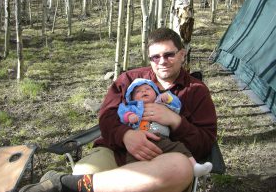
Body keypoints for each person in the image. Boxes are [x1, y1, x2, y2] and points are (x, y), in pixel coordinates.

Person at [20, 27, 217, 192]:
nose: (162, 61)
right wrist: (125, 135)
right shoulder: (129, 80)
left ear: (182, 54)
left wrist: (176, 122)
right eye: (155, 57)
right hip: (116, 151)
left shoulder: (196, 91)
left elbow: (206, 143)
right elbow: (106, 117)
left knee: (181, 168)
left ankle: (63, 184)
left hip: (164, 161)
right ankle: (75, 183)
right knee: (85, 170)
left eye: (169, 54)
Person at [118, 78, 212, 177]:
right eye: (138, 91)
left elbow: (177, 106)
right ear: (132, 98)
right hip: (139, 141)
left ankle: (195, 167)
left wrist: (168, 98)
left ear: (155, 93)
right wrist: (128, 116)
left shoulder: (160, 102)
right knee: (132, 160)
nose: (144, 91)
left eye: (147, 89)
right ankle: (131, 178)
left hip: (161, 139)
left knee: (180, 148)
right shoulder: (132, 107)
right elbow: (122, 112)